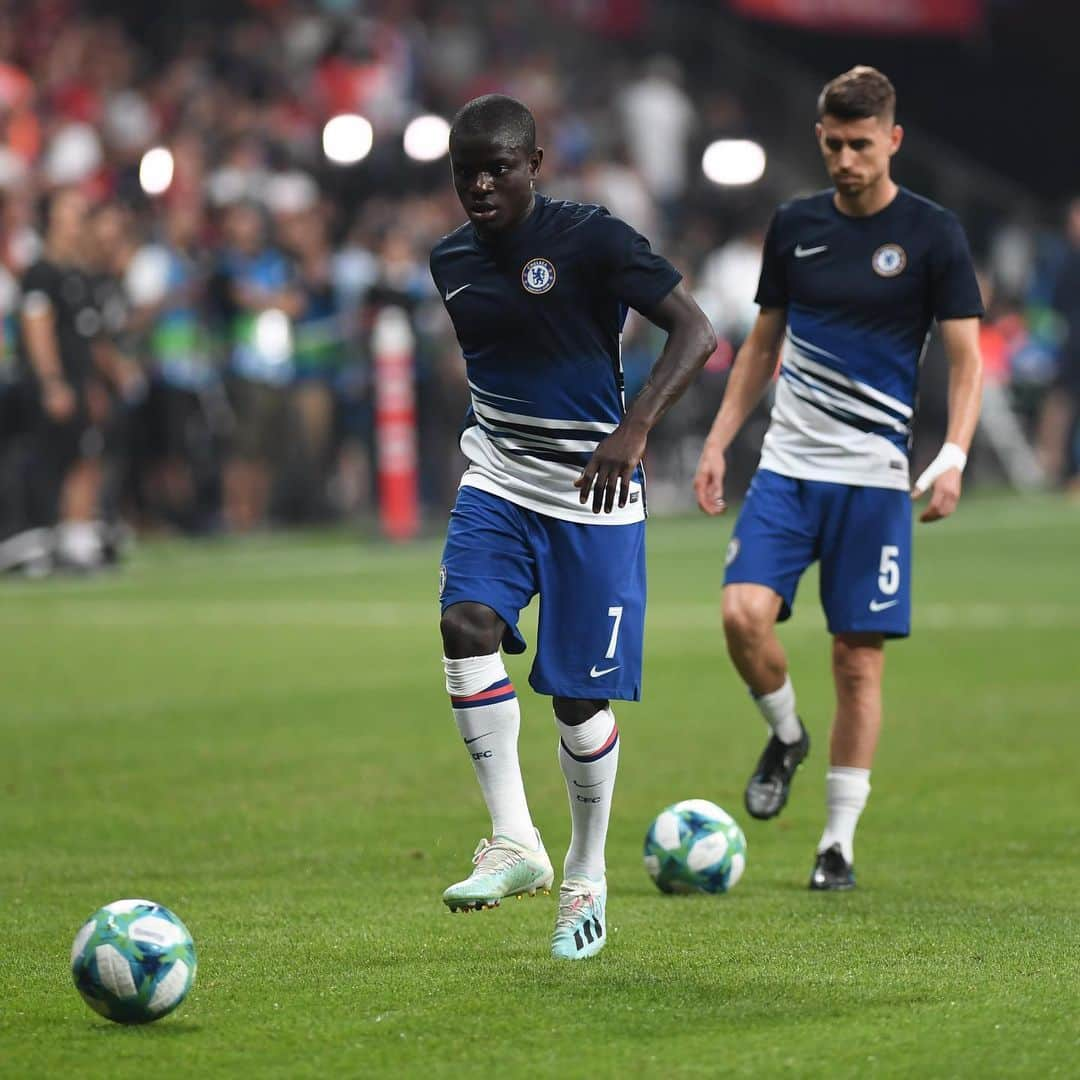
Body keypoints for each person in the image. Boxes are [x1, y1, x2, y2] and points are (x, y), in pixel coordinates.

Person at [431, 94, 715, 959]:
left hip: (594, 498)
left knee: (576, 696)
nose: (480, 185)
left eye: (497, 168)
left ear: (533, 163)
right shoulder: (449, 262)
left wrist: (634, 429)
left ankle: (585, 874)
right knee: (465, 624)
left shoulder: (591, 239)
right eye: (465, 172)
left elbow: (696, 332)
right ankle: (516, 841)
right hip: (501, 484)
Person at [693, 67, 984, 890]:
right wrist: (719, 441)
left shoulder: (933, 235)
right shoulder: (794, 225)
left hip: (875, 480)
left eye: (861, 145)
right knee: (741, 616)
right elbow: (760, 344)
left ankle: (836, 844)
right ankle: (786, 734)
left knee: (857, 664)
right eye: (832, 144)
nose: (846, 159)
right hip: (788, 471)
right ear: (819, 137)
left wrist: (954, 454)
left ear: (892, 140)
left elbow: (966, 362)